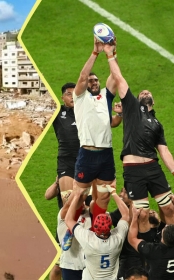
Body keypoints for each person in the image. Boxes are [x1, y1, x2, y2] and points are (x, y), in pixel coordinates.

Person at [62, 37, 123, 251]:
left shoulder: (106, 96)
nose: (93, 82)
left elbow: (116, 77)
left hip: (106, 155)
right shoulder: (80, 98)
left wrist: (111, 53)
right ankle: (70, 229)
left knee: (104, 195)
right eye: (91, 81)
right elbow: (81, 76)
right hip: (86, 155)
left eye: (96, 80)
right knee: (79, 197)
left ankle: (97, 230)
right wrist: (95, 53)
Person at [104, 41, 174, 224]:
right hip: (133, 170)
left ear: (153, 102)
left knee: (169, 208)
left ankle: (168, 244)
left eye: (147, 93)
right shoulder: (132, 108)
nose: (144, 93)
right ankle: (141, 250)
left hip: (153, 167)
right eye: (141, 93)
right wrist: (111, 55)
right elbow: (118, 78)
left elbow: (164, 151)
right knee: (141, 215)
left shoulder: (157, 123)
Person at [65, 184, 129, 280]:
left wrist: (77, 195)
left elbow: (68, 219)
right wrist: (114, 193)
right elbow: (126, 215)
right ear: (111, 225)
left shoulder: (88, 240)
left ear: (94, 227)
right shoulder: (117, 239)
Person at [128, 207, 174, 279]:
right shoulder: (153, 250)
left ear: (162, 237)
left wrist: (134, 217)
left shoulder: (153, 251)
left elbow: (132, 239)